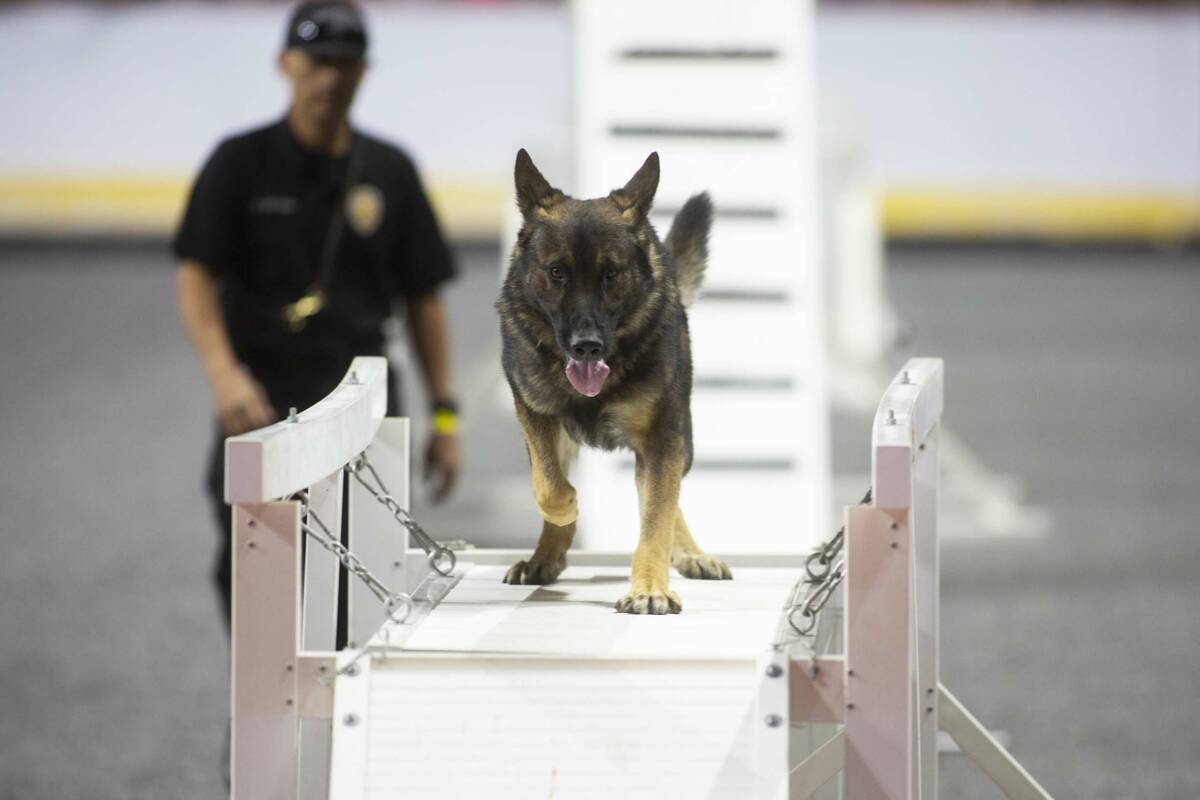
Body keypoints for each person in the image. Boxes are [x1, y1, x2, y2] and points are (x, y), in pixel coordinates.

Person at [174, 0, 460, 630]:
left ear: (364, 72)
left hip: (365, 405)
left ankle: (347, 724)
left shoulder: (390, 170)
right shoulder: (239, 163)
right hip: (260, 400)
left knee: (365, 582)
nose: (330, 77)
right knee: (254, 583)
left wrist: (445, 414)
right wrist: (224, 377)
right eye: (318, 62)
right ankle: (259, 723)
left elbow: (425, 300)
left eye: (345, 63)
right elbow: (195, 273)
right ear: (286, 64)